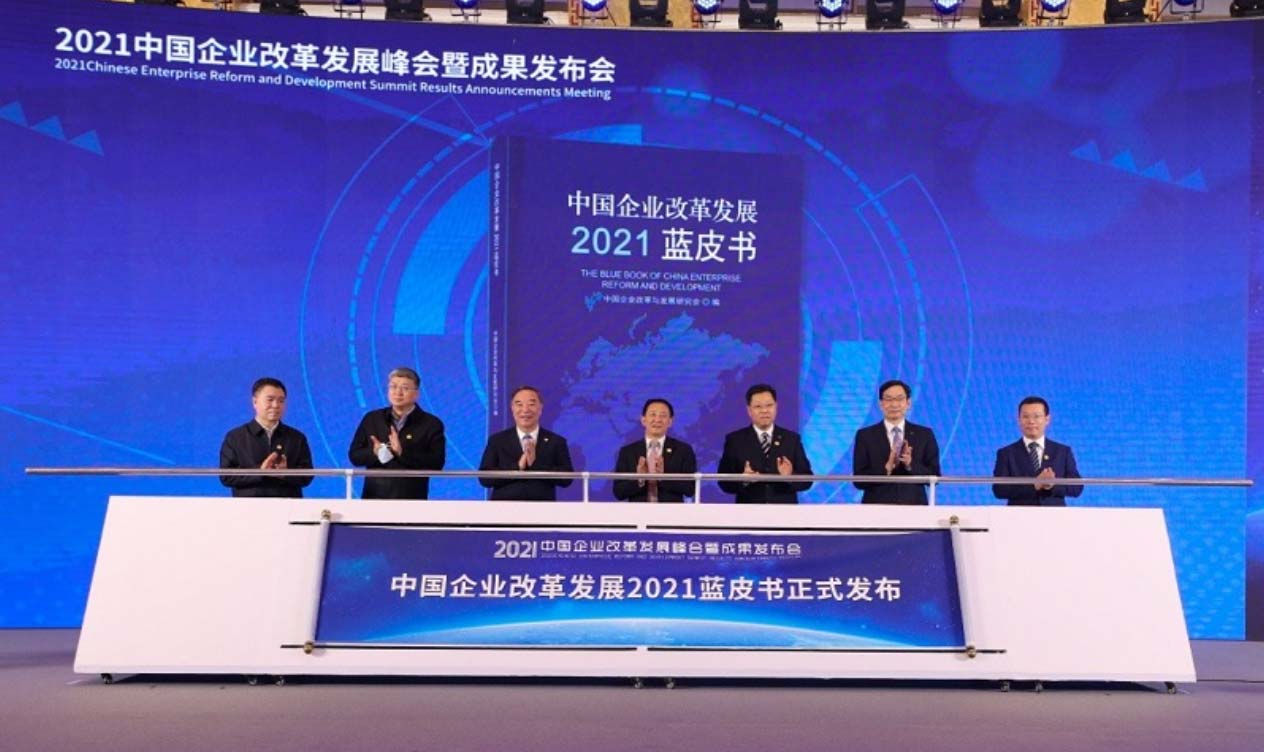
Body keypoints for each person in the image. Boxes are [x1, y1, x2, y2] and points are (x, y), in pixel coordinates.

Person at [347, 367, 445, 499]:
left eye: (405, 388)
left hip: (412, 500)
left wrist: (402, 453)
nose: (398, 392)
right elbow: (354, 456)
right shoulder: (372, 419)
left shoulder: (431, 424)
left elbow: (437, 464)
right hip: (373, 498)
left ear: (416, 394)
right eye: (393, 387)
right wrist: (374, 452)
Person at [716, 384, 813, 504]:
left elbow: (807, 480)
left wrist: (790, 476)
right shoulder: (735, 440)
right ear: (749, 410)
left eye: (769, 405)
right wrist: (743, 480)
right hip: (749, 510)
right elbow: (723, 482)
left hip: (784, 511)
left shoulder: (791, 439)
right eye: (758, 406)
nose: (764, 411)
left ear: (776, 407)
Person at [219, 377, 313, 498]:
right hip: (248, 506)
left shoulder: (297, 438)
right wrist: (260, 472)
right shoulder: (235, 437)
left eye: (281, 401)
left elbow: (307, 476)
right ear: (255, 402)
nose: (276, 405)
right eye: (270, 400)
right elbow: (226, 477)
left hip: (288, 505)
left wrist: (286, 473)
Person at [852, 379, 941, 504]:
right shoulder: (865, 435)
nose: (894, 404)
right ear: (881, 404)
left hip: (915, 507)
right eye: (888, 399)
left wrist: (910, 464)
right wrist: (886, 468)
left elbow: (935, 477)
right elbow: (858, 481)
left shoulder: (924, 434)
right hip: (876, 508)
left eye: (899, 399)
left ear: (908, 403)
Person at [479, 386, 574, 501]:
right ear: (512, 408)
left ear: (540, 408)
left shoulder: (556, 441)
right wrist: (517, 467)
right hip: (503, 508)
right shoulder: (497, 440)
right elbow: (484, 478)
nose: (525, 410)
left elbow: (567, 479)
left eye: (531, 404)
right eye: (519, 404)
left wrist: (536, 464)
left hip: (543, 508)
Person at [992, 396, 1083, 506]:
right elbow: (999, 489)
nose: (1031, 421)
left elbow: (1077, 487)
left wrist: (1052, 485)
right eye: (1026, 416)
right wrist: (1034, 485)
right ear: (1019, 420)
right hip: (1019, 514)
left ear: (1047, 419)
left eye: (1037, 416)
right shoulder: (1006, 453)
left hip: (1055, 514)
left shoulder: (1062, 452)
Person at [613, 398, 699, 503]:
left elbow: (690, 489)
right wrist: (640, 479)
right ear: (643, 420)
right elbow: (619, 492)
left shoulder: (683, 450)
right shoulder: (628, 452)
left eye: (663, 416)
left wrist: (664, 477)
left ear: (670, 422)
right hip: (637, 511)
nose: (657, 420)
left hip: (671, 511)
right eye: (653, 415)